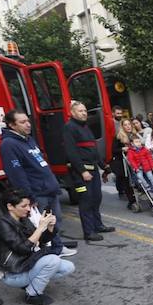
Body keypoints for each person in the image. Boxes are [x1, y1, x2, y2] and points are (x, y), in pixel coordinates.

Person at [0, 110, 76, 257]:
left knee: (54, 220)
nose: (28, 124)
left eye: (28, 121)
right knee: (42, 223)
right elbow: (16, 174)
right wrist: (28, 197)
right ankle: (52, 250)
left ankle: (57, 246)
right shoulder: (8, 144)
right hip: (37, 192)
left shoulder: (28, 139)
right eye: (22, 122)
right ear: (11, 125)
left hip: (48, 189)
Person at [0, 189, 74, 305]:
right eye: (24, 206)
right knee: (53, 260)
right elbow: (22, 248)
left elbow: (41, 241)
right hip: (13, 273)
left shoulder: (23, 219)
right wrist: (40, 228)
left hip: (26, 263)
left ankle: (32, 283)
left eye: (28, 205)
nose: (28, 209)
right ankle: (32, 294)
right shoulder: (2, 224)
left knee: (68, 267)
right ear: (10, 206)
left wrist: (50, 227)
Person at [64, 101, 113, 242]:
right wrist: (82, 171)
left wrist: (104, 167)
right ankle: (89, 232)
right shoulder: (69, 128)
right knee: (86, 201)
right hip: (81, 175)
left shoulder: (85, 127)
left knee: (96, 199)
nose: (84, 113)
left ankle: (98, 225)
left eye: (85, 110)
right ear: (72, 113)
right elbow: (71, 152)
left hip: (93, 172)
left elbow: (93, 150)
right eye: (80, 111)